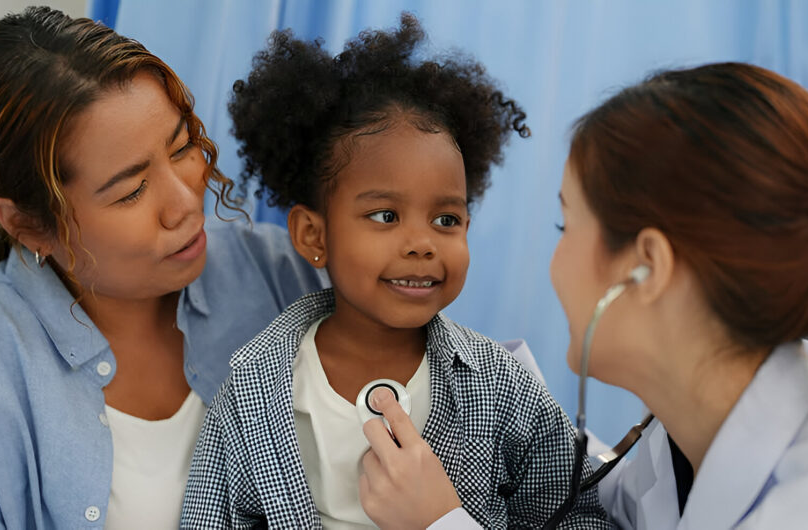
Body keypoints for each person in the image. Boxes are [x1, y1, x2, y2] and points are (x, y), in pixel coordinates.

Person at [359, 62, 808, 528]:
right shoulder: (683, 438)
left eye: (565, 227)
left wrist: (440, 523)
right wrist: (514, 410)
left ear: (647, 267)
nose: (554, 264)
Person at [0, 7, 325, 528]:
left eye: (183, 147)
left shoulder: (286, 278)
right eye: (131, 190)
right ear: (27, 225)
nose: (185, 202)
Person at [180, 14, 612, 529]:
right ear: (314, 237)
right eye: (385, 216)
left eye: (446, 219)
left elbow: (582, 517)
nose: (422, 244)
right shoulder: (251, 390)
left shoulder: (504, 388)